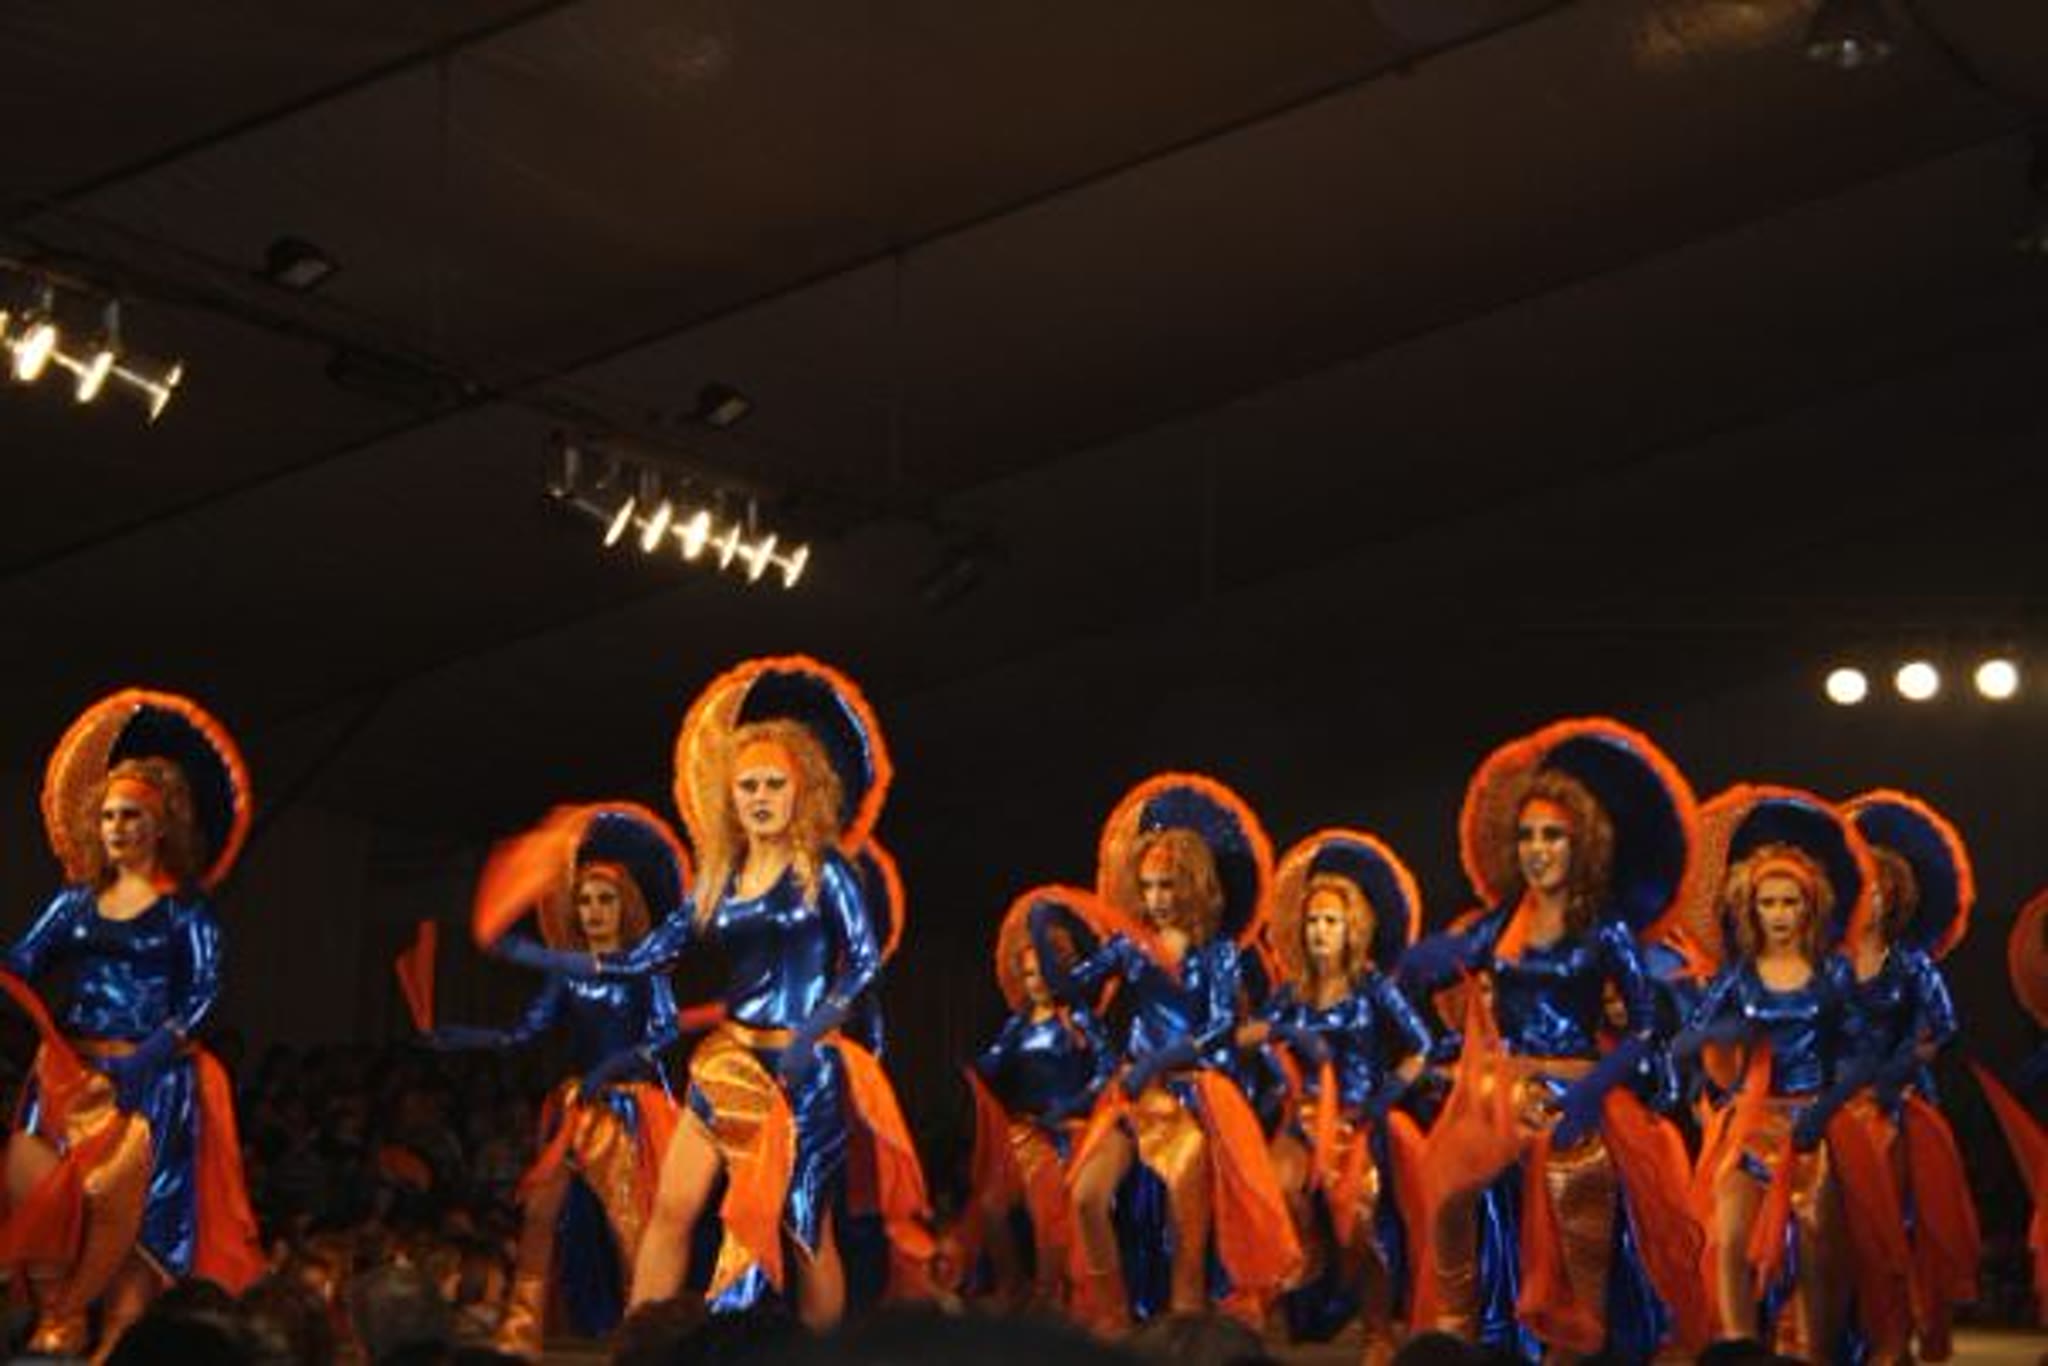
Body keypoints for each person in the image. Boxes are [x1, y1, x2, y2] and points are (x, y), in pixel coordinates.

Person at [491, 656, 928, 1329]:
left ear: (803, 790)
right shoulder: (721, 875)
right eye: (748, 785)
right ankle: (640, 1346)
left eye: (774, 785)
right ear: (730, 793)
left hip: (802, 1070)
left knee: (805, 1231)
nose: (760, 797)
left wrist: (814, 1034)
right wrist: (535, 953)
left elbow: (864, 965)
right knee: (672, 1209)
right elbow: (645, 955)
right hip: (727, 1061)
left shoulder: (826, 870)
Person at [1401, 718, 1706, 1362]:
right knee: (1449, 1195)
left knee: (1575, 1200)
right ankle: (1459, 1335)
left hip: (1578, 1090)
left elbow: (1644, 1027)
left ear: (1580, 843)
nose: (1537, 849)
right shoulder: (1500, 922)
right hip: (1502, 1094)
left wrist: (1593, 1091)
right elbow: (1432, 972)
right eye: (1527, 836)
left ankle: (1577, 1342)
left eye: (1552, 836)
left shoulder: (1604, 928)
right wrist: (1420, 965)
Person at [0, 688, 266, 1357]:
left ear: (161, 825)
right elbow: (23, 960)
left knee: (136, 1213)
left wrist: (151, 1053)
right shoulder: (74, 902)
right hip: (69, 1072)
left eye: (132, 816)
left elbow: (203, 995)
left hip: (152, 1077)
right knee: (42, 1185)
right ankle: (59, 1315)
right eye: (108, 816)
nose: (117, 828)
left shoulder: (186, 912)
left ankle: (122, 1335)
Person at [1032, 772, 1300, 1332]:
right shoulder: (1130, 947)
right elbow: (1071, 989)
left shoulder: (1218, 953)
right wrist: (1044, 926)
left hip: (1196, 1097)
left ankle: (1187, 1321)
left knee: (1188, 1227)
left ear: (1193, 884)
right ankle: (1112, 1317)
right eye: (1148, 886)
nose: (1155, 899)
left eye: (1167, 886)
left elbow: (1221, 1027)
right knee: (1086, 1196)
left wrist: (1159, 1062)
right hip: (1133, 1097)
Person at [433, 802, 688, 1357]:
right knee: (542, 1216)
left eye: (604, 900)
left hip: (628, 1109)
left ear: (625, 906)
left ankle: (645, 1334)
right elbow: (524, 1032)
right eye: (585, 901)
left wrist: (612, 1070)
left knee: (632, 1223)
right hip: (576, 1107)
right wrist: (468, 1036)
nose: (594, 911)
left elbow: (664, 1035)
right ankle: (524, 1328)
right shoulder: (566, 974)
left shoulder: (644, 970)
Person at [1675, 785, 1907, 1361]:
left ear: (1811, 906)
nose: (1778, 913)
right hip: (1751, 1124)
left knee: (1817, 1249)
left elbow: (1862, 1056)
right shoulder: (1739, 976)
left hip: (1817, 1129)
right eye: (1768, 903)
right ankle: (1737, 1347)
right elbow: (1692, 1036)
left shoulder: (1833, 974)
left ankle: (1814, 1351)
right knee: (1728, 1236)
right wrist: (1718, 1039)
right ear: (1750, 908)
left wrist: (1824, 1112)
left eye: (1789, 902)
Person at [1249, 831, 1432, 1361]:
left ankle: (1377, 1330)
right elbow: (1246, 1035)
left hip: (1358, 1122)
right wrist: (1283, 1040)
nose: (1320, 931)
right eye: (1312, 921)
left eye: (1330, 921)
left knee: (1359, 1225)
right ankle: (1294, 1302)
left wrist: (1388, 1093)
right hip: (1303, 1118)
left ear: (1352, 927)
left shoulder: (1373, 986)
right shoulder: (1293, 991)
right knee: (1275, 1196)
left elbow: (1421, 1046)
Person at [1841, 789, 1979, 1362]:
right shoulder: (1827, 961)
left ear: (1895, 894)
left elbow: (1939, 1029)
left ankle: (1892, 1337)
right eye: (1858, 883)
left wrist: (1894, 1073)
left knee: (1893, 1229)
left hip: (1897, 1105)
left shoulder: (1912, 964)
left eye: (1878, 886)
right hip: (1834, 1100)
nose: (1867, 895)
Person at [963, 886, 1116, 1308]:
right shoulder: (1018, 1024)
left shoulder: (1078, 1017)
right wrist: (967, 1069)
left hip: (1070, 1134)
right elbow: (992, 1062)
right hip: (1025, 1134)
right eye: (1030, 975)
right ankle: (1011, 1286)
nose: (1038, 983)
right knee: (990, 1206)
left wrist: (1073, 1106)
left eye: (1045, 973)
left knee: (1046, 1209)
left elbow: (1107, 1070)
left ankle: (1051, 1295)